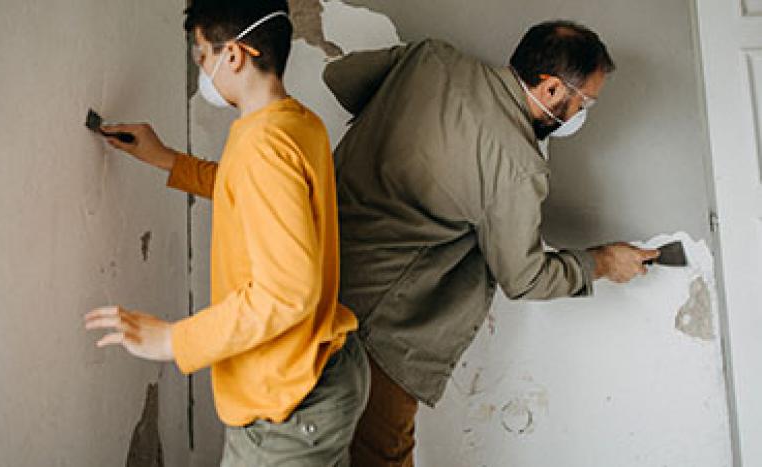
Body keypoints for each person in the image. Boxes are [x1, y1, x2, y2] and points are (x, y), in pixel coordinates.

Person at [322, 20, 660, 467]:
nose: (582, 114)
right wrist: (601, 262)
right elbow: (524, 279)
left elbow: (338, 78)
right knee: (381, 455)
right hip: (379, 329)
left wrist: (391, 123)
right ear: (553, 89)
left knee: (304, 444)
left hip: (309, 276)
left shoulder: (432, 57)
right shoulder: (517, 166)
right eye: (585, 102)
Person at [84, 1, 368, 465]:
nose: (202, 69)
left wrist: (174, 340)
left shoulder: (263, 144)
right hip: (318, 371)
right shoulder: (294, 122)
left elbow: (286, 293)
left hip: (289, 406)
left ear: (233, 55)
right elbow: (254, 192)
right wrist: (168, 160)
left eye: (202, 57)